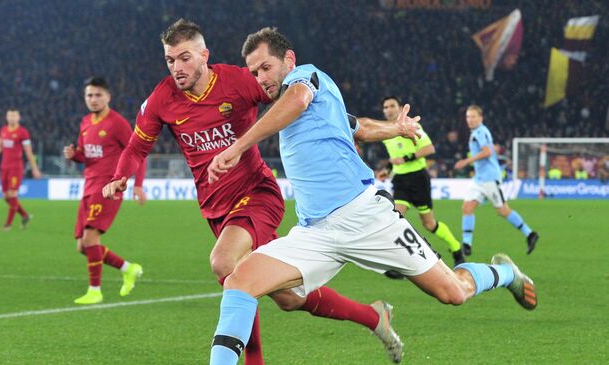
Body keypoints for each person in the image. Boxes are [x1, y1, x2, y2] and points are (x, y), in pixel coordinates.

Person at [206, 28, 538, 365]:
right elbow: (358, 126)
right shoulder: (314, 106)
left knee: (452, 292)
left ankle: (505, 273)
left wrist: (238, 146)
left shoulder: (306, 78)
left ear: (288, 60)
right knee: (241, 280)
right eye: (254, 72)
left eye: (265, 67)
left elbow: (298, 99)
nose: (260, 78)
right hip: (315, 233)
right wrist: (394, 128)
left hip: (368, 216)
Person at [102, 19, 418, 365]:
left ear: (204, 55)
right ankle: (374, 317)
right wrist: (121, 176)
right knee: (288, 297)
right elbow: (136, 147)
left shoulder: (239, 82)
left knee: (225, 263)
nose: (177, 68)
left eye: (185, 58)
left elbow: (301, 102)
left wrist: (386, 129)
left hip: (257, 194)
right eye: (170, 60)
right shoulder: (163, 98)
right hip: (215, 207)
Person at [63, 77, 147, 304]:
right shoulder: (85, 122)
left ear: (108, 97)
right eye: (89, 95)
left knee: (90, 238)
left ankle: (95, 290)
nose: (93, 99)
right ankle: (128, 268)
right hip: (88, 187)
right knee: (83, 246)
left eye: (98, 95)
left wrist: (137, 183)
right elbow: (85, 155)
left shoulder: (117, 123)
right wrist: (74, 156)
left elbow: (138, 151)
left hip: (108, 187)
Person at [361, 96, 465, 268]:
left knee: (429, 224)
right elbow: (394, 158)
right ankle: (401, 262)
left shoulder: (410, 125)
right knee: (394, 218)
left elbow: (429, 148)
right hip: (400, 181)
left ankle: (456, 248)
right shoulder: (385, 131)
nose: (388, 109)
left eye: (392, 106)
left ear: (400, 108)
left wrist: (406, 158)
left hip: (418, 179)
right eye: (385, 107)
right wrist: (387, 169)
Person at [455, 106, 539, 256]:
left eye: (473, 116)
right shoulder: (478, 132)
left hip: (490, 178)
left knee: (502, 210)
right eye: (468, 117)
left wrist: (467, 161)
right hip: (479, 179)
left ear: (481, 118)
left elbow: (487, 152)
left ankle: (530, 234)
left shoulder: (480, 131)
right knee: (467, 207)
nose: (470, 120)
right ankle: (466, 244)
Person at [0, 108, 41, 230]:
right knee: (5, 197)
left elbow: (28, 152)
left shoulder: (23, 132)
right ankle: (25, 215)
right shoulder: (3, 130)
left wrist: (35, 168)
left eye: (14, 116)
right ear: (6, 117)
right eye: (10, 116)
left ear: (19, 118)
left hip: (16, 168)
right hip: (4, 167)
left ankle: (7, 225)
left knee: (12, 195)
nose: (12, 118)